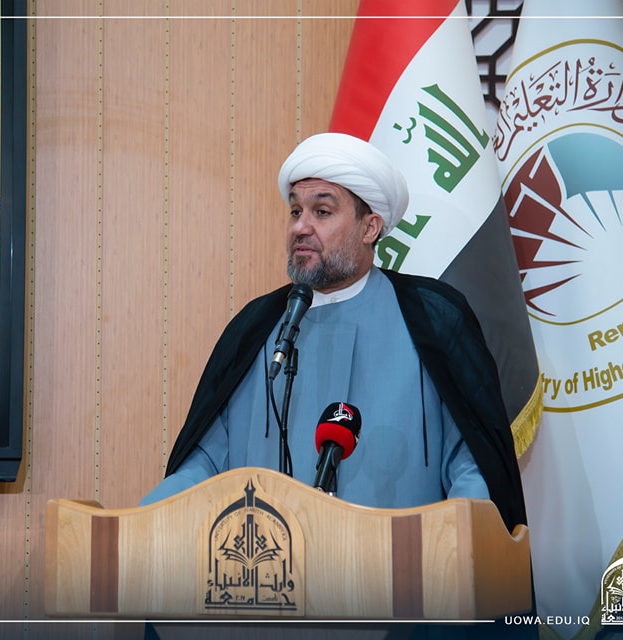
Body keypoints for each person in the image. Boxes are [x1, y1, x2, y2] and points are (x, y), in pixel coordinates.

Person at [140, 132, 527, 535]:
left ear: (370, 228)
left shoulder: (433, 319)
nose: (300, 227)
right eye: (295, 211)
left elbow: (471, 464)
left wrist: (466, 538)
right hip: (270, 569)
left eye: (322, 212)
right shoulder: (256, 328)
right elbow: (204, 464)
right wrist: (138, 524)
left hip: (406, 569)